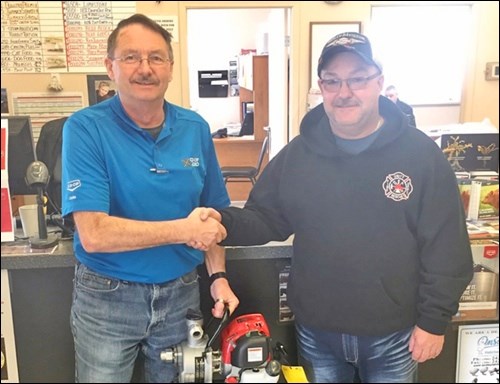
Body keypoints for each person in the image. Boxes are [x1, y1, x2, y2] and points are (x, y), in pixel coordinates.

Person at [198, 31, 473, 383]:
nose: (345, 92)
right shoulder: (299, 155)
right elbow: (266, 218)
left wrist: (434, 322)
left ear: (379, 82)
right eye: (333, 81)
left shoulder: (420, 156)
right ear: (321, 87)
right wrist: (222, 221)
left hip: (395, 337)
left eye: (357, 79)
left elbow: (447, 248)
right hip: (317, 334)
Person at [61, 14, 239, 383]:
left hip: (181, 295)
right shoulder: (84, 128)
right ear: (110, 67)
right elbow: (94, 234)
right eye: (131, 57)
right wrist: (182, 230)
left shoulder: (195, 128)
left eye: (156, 57)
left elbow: (210, 217)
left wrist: (218, 276)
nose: (145, 68)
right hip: (107, 297)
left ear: (171, 68)